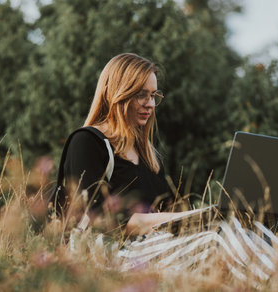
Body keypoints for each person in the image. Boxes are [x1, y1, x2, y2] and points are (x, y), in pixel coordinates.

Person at [61, 53, 196, 235]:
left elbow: (169, 213)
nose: (150, 104)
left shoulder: (150, 156)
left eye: (153, 96)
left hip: (155, 251)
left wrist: (201, 217)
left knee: (226, 229)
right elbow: (96, 218)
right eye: (142, 95)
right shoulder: (87, 142)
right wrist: (191, 217)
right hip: (113, 256)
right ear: (116, 93)